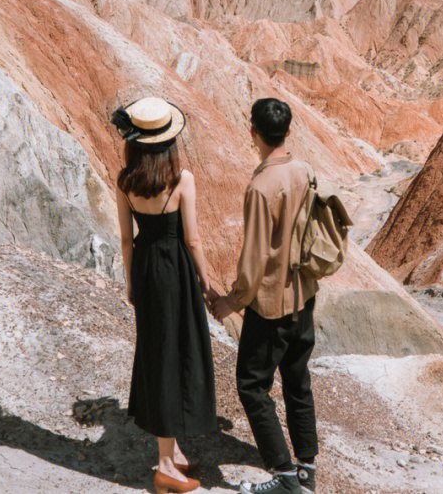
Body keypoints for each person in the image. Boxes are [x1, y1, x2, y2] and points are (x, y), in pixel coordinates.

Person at [211, 98, 319, 494]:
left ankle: (285, 477)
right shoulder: (304, 170)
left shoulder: (260, 188)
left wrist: (231, 302)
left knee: (252, 385)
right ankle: (306, 470)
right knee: (297, 380)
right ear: (288, 132)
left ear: (253, 131)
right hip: (304, 296)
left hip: (271, 305)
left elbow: (254, 259)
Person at [113, 97, 218, 494]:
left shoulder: (125, 181)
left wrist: (130, 282)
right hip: (175, 270)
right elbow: (192, 238)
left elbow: (126, 238)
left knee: (158, 353)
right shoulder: (181, 179)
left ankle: (170, 452)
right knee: (178, 353)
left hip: (146, 267)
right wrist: (205, 280)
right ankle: (163, 467)